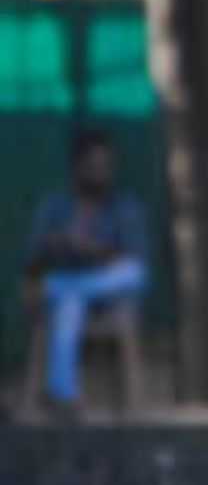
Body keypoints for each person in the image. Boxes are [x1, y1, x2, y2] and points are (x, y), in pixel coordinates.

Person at [23, 129, 148, 415]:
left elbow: (133, 258)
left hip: (110, 290)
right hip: (69, 286)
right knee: (68, 304)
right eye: (92, 167)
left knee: (133, 272)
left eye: (105, 167)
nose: (100, 174)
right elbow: (34, 260)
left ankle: (59, 392)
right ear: (77, 168)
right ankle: (63, 395)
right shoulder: (55, 207)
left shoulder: (124, 207)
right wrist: (62, 246)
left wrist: (94, 251)